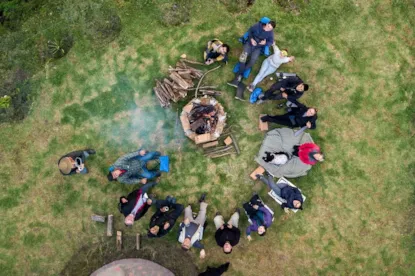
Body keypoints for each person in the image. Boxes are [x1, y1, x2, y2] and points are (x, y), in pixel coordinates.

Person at [227, 19, 276, 87]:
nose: (268, 29)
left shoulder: (270, 33)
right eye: (268, 27)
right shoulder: (257, 26)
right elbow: (250, 31)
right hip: (250, 43)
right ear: (266, 24)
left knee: (252, 61)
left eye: (270, 29)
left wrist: (265, 43)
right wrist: (251, 39)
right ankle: (239, 76)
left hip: (258, 47)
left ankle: (239, 75)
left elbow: (270, 41)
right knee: (243, 58)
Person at [177, 193, 208, 259]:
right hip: (198, 224)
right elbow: (201, 246)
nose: (186, 243)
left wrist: (184, 223)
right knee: (203, 212)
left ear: (182, 243)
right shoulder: (194, 243)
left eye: (184, 244)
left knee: (187, 209)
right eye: (187, 245)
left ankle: (189, 207)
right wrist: (202, 249)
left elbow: (179, 229)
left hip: (189, 221)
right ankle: (202, 201)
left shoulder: (180, 238)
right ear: (190, 246)